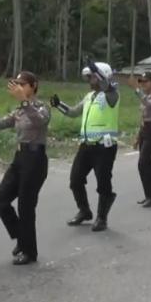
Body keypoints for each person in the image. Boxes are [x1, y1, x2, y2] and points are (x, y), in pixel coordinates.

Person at [0, 72, 50, 265]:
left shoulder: (42, 107)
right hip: (20, 157)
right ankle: (22, 238)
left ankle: (29, 252)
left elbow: (40, 121)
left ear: (33, 86)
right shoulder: (19, 111)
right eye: (17, 84)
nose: (19, 87)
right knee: (1, 200)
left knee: (25, 206)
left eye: (23, 84)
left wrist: (24, 101)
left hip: (35, 159)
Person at [51, 61, 120, 232]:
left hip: (104, 147)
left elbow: (108, 87)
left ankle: (101, 218)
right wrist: (59, 105)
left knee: (103, 183)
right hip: (86, 146)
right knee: (75, 180)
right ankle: (84, 210)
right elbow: (74, 112)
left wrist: (100, 74)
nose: (89, 80)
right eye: (89, 77)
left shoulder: (112, 95)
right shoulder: (89, 97)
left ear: (102, 76)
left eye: (92, 76)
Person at [128, 71, 151, 207]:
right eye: (141, 82)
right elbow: (142, 118)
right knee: (145, 164)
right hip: (145, 130)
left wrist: (136, 90)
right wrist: (138, 137)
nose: (143, 84)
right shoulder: (145, 97)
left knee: (143, 162)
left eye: (146, 81)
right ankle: (149, 195)